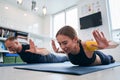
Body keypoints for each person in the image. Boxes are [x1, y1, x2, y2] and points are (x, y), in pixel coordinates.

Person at [52, 25, 119, 66]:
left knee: (109, 59)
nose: (62, 47)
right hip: (89, 59)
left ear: (75, 39)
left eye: (65, 43)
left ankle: (110, 57)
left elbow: (116, 44)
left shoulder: (86, 45)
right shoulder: (67, 50)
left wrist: (107, 45)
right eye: (59, 43)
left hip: (103, 59)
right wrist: (57, 52)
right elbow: (63, 51)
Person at [4, 36, 69, 64]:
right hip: (40, 64)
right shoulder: (18, 50)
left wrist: (37, 51)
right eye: (7, 48)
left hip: (49, 58)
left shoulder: (28, 47)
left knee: (64, 59)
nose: (9, 49)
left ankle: (69, 56)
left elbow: (46, 51)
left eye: (10, 47)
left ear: (16, 43)